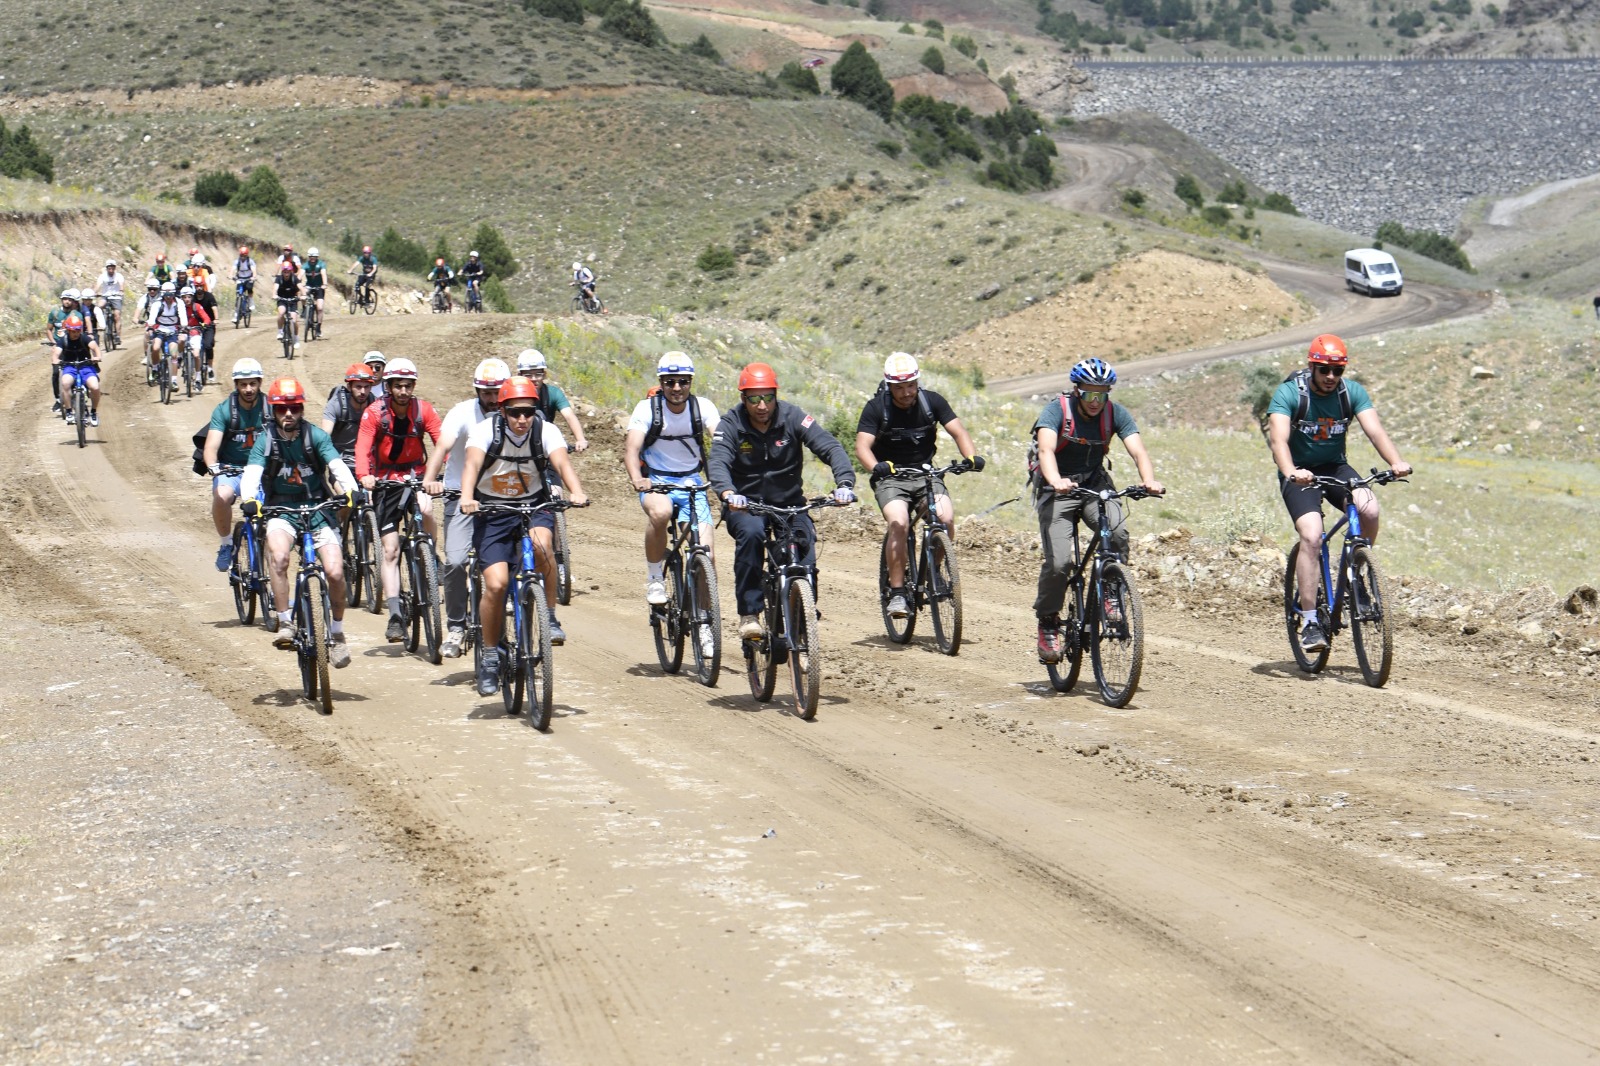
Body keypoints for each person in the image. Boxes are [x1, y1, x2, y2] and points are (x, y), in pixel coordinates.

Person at [1267, 334, 1412, 653]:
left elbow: (1375, 430)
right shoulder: (1290, 393)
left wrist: (1396, 462)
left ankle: (1358, 570)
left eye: (1338, 371)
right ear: (1312, 367)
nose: (1331, 377)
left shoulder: (1351, 392)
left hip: (1334, 467)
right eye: (1324, 370)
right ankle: (1310, 622)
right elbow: (1278, 440)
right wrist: (1291, 471)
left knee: (1369, 508)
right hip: (1300, 473)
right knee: (1312, 536)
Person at [708, 362, 856, 640]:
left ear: (776, 395)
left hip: (789, 504)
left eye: (768, 397)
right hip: (747, 505)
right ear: (743, 398)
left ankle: (802, 612)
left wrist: (845, 483)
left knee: (805, 547)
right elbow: (717, 461)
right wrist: (728, 493)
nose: (762, 405)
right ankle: (749, 613)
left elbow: (830, 446)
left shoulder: (793, 417)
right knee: (751, 536)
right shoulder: (731, 424)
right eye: (754, 398)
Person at [459, 376, 589, 693]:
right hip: (492, 511)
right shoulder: (485, 431)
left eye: (528, 412)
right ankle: (490, 656)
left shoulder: (545, 430)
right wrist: (466, 497)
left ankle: (551, 617)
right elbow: (472, 466)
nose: (522, 419)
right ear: (502, 411)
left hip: (535, 504)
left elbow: (562, 462)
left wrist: (577, 491)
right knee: (497, 584)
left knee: (543, 546)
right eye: (515, 412)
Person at [1031, 358, 1164, 664]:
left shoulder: (1115, 413)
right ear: (1077, 391)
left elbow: (1137, 449)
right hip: (1057, 490)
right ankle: (1048, 621)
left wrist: (1148, 481)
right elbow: (1045, 450)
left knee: (1116, 532)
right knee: (1060, 562)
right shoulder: (1057, 411)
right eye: (1090, 394)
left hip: (1094, 484)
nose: (1095, 401)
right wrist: (1055, 481)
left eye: (1102, 395)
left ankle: (1111, 592)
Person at [855, 352, 984, 618]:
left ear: (917, 382)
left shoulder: (932, 402)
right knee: (899, 523)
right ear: (889, 386)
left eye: (911, 385)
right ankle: (898, 592)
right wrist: (875, 467)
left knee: (946, 519)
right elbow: (862, 447)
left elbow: (958, 431)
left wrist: (971, 457)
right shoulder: (876, 408)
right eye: (899, 387)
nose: (906, 392)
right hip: (891, 478)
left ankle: (934, 570)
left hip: (926, 475)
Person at [239, 377, 357, 668]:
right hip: (281, 509)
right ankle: (285, 623)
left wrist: (351, 490)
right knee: (278, 558)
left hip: (318, 508)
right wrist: (250, 498)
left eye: (293, 408)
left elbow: (336, 466)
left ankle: (338, 635)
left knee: (335, 571)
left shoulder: (315, 436)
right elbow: (252, 473)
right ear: (273, 411)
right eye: (281, 409)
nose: (288, 414)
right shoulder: (265, 439)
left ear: (301, 409)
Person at [422, 358, 512, 658]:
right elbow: (443, 447)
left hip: (499, 499)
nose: (491, 398)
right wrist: (430, 480)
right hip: (459, 495)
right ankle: (456, 626)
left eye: (497, 392)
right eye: (486, 392)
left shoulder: (515, 417)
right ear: (477, 391)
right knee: (457, 562)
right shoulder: (462, 413)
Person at [624, 352, 721, 616]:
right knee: (661, 512)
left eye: (682, 381)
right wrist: (637, 479)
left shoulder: (703, 407)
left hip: (692, 482)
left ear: (690, 382)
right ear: (661, 382)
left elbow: (722, 441)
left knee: (707, 556)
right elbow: (632, 450)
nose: (676, 388)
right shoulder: (646, 409)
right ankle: (656, 578)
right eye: (669, 382)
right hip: (656, 481)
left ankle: (705, 623)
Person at [354, 357, 443, 643]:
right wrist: (364, 475)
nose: (403, 391)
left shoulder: (424, 410)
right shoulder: (374, 413)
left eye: (408, 386)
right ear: (389, 387)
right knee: (390, 550)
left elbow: (442, 443)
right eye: (398, 386)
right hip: (386, 482)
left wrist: (443, 476)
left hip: (417, 474)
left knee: (427, 510)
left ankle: (432, 555)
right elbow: (363, 446)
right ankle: (394, 614)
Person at [203, 359, 269, 572]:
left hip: (261, 470)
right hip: (231, 469)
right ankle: (226, 544)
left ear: (259, 383)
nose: (248, 389)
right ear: (236, 385)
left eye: (252, 383)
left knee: (272, 509)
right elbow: (211, 447)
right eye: (243, 384)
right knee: (222, 495)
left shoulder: (271, 408)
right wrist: (214, 468)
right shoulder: (224, 410)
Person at [514, 349, 589, 453]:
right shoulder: (512, 394)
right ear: (519, 375)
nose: (534, 379)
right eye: (528, 375)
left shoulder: (553, 393)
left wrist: (580, 439)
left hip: (542, 441)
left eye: (538, 374)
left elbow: (569, 415)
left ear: (544, 375)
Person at [322, 363, 378, 466]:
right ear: (349, 386)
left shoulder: (375, 405)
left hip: (368, 459)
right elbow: (324, 436)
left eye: (367, 387)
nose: (363, 392)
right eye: (358, 386)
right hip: (341, 459)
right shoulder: (336, 404)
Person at [54, 313, 102, 426]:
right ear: (68, 330)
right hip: (69, 367)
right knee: (65, 383)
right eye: (73, 331)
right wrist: (55, 359)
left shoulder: (84, 338)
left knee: (95, 387)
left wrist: (97, 356)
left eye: (77, 331)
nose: (75, 333)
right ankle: (69, 411)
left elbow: (94, 346)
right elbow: (56, 352)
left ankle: (94, 412)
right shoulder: (63, 340)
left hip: (86, 366)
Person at [145, 281, 189, 387]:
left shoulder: (179, 303)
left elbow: (183, 317)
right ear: (163, 294)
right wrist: (150, 326)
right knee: (155, 348)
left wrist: (184, 326)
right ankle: (155, 369)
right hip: (160, 330)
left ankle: (173, 380)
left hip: (173, 331)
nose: (168, 297)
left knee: (174, 354)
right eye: (166, 295)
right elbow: (152, 318)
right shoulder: (157, 304)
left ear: (173, 294)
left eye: (170, 295)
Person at [45, 289, 81, 412]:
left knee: (77, 368)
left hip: (72, 346)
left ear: (72, 301)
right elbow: (49, 329)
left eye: (69, 299)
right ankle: (58, 399)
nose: (67, 301)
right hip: (58, 346)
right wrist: (53, 343)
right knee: (55, 372)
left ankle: (79, 393)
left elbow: (81, 331)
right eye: (65, 299)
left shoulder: (76, 315)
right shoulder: (54, 313)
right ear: (61, 300)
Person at [188, 277, 221, 381]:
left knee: (208, 345)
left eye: (200, 285)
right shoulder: (192, 298)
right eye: (197, 286)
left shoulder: (209, 296)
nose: (199, 288)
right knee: (191, 347)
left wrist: (216, 319)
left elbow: (214, 308)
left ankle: (210, 368)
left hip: (209, 324)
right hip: (195, 326)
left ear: (203, 286)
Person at [179, 286, 213, 377]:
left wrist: (204, 324)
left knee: (196, 354)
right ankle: (180, 356)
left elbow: (206, 318)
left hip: (195, 332)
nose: (187, 299)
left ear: (192, 297)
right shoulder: (178, 308)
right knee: (181, 341)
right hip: (183, 331)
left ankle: (198, 377)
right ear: (181, 298)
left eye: (189, 297)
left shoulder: (197, 307)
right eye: (184, 297)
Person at [272, 262, 302, 348]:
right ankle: (280, 331)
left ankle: (296, 338)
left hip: (293, 300)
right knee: (281, 313)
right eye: (284, 271)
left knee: (294, 320)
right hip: (282, 299)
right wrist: (274, 295)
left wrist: (303, 295)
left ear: (291, 271)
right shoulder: (279, 278)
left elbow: (301, 287)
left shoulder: (294, 278)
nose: (286, 273)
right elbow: (275, 287)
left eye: (288, 271)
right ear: (282, 272)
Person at [94, 260, 125, 344]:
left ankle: (118, 336)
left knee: (117, 315)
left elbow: (121, 285)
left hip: (116, 297)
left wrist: (121, 291)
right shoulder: (102, 276)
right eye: (109, 268)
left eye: (112, 268)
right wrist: (94, 292)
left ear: (115, 268)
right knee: (97, 308)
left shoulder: (119, 276)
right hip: (105, 296)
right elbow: (97, 286)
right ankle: (101, 325)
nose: (111, 270)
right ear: (107, 268)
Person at [302, 248, 328, 331]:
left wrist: (324, 284)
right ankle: (304, 309)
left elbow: (323, 274)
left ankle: (318, 327)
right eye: (310, 257)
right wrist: (298, 283)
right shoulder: (305, 265)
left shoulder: (321, 264)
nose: (312, 258)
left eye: (314, 257)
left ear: (317, 257)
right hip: (309, 285)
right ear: (308, 257)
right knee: (302, 292)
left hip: (319, 287)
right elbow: (300, 274)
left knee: (319, 308)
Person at [232, 246, 256, 315]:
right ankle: (236, 313)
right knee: (238, 295)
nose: (242, 257)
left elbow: (254, 270)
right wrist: (231, 275)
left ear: (246, 255)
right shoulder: (237, 261)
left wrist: (253, 277)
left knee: (249, 288)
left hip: (248, 278)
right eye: (241, 255)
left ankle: (251, 301)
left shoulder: (250, 261)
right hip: (240, 279)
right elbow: (232, 269)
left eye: (244, 256)